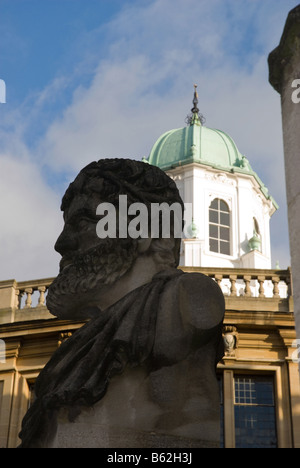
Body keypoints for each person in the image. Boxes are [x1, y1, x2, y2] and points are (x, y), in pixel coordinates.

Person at [19, 158, 224, 448]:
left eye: (84, 221)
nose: (62, 243)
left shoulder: (185, 301)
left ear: (145, 232)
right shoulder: (74, 349)